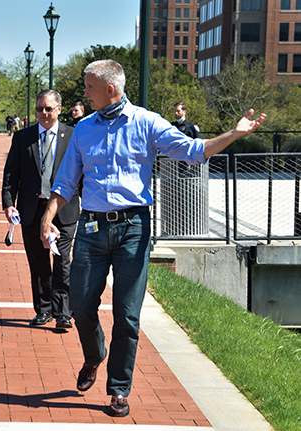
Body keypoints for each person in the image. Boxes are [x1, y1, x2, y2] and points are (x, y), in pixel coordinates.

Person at [40, 59, 266, 417]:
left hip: (134, 229)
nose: (84, 92)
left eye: (90, 87)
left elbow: (194, 152)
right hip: (91, 229)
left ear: (110, 89)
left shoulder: (146, 122)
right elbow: (66, 182)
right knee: (80, 307)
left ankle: (118, 389)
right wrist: (48, 216)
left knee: (127, 315)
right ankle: (95, 354)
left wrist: (234, 134)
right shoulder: (83, 129)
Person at [2, 90, 79, 330]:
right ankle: (43, 309)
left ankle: (63, 312)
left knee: (62, 260)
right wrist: (8, 203)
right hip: (31, 209)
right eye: (39, 109)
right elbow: (10, 176)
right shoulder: (23, 138)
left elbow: (83, 173)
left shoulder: (73, 136)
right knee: (38, 262)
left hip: (64, 209)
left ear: (59, 109)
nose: (43, 113)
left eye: (48, 109)